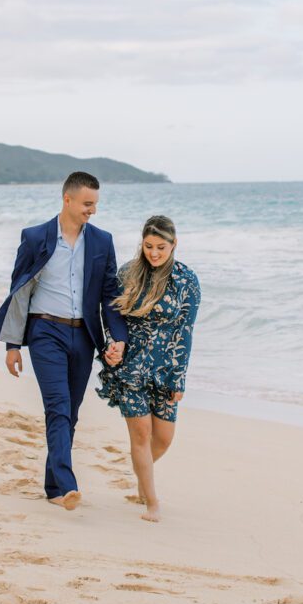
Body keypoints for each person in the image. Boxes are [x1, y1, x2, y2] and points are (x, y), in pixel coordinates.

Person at [0, 172, 127, 511]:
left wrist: (118, 338)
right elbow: (18, 290)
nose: (92, 210)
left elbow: (110, 295)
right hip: (44, 331)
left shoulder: (101, 241)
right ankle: (67, 484)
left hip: (84, 334)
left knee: (71, 413)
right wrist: (12, 345)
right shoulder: (35, 237)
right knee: (58, 406)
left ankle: (53, 487)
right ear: (67, 200)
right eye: (87, 203)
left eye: (95, 204)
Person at [97, 215, 200, 522]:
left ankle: (143, 476)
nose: (154, 253)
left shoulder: (186, 280)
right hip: (131, 368)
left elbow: (186, 332)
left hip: (165, 369)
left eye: (160, 247)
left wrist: (178, 379)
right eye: (148, 246)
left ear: (174, 245)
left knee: (164, 438)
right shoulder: (129, 273)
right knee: (141, 436)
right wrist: (113, 346)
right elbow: (113, 317)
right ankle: (151, 501)